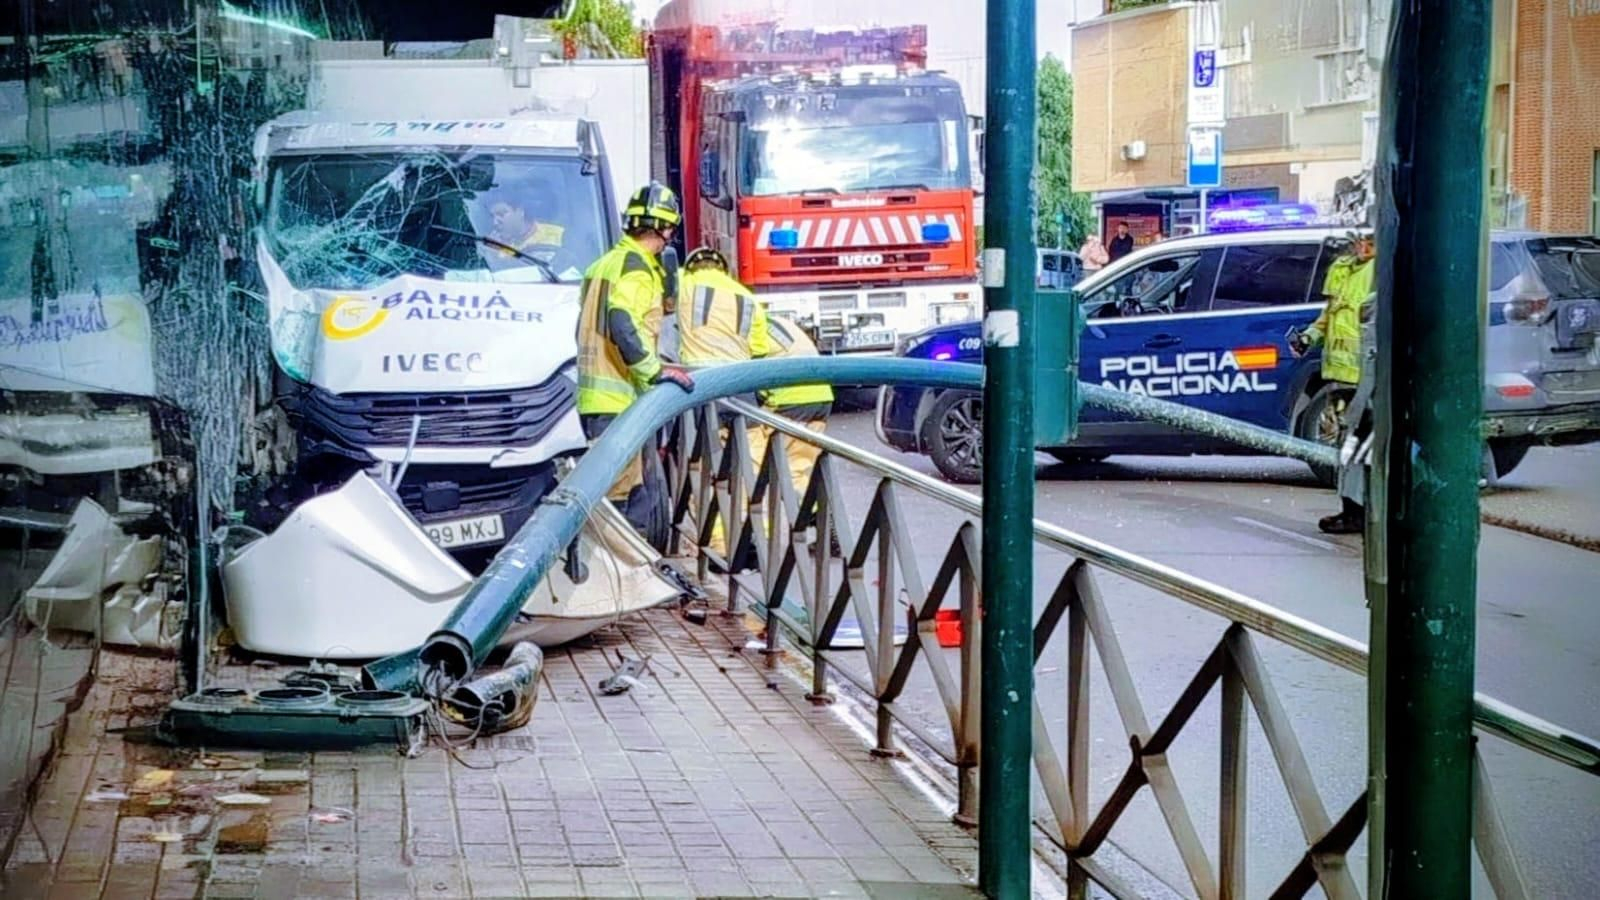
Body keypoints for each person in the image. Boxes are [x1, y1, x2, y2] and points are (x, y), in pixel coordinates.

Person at [576, 181, 694, 543]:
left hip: (595, 398)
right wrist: (654, 371)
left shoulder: (602, 265)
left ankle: (619, 567)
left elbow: (584, 326)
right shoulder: (638, 268)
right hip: (620, 400)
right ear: (666, 229)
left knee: (618, 491)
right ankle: (621, 572)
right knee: (623, 499)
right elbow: (621, 320)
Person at [1290, 231, 1377, 534]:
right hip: (1339, 376)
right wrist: (1308, 337)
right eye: (1360, 241)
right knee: (1344, 445)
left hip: (1365, 377)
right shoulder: (1342, 269)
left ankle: (1360, 513)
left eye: (1371, 242)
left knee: (1359, 447)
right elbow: (1329, 316)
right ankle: (1352, 511)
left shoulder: (1380, 272)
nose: (1363, 247)